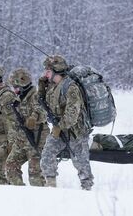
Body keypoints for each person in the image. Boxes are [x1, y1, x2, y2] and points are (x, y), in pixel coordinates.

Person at [39, 55, 94, 190]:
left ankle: (87, 189)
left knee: (80, 163)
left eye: (48, 71)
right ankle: (51, 185)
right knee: (46, 156)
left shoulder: (70, 87)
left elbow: (72, 114)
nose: (45, 73)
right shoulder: (51, 87)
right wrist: (41, 88)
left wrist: (60, 126)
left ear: (55, 71)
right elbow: (42, 105)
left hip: (76, 132)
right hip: (60, 129)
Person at [5, 68, 49, 186]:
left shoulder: (36, 95)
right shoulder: (18, 98)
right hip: (21, 138)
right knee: (11, 165)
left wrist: (34, 117)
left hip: (37, 138)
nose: (14, 90)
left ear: (23, 85)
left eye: (16, 87)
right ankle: (19, 193)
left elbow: (44, 113)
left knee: (35, 174)